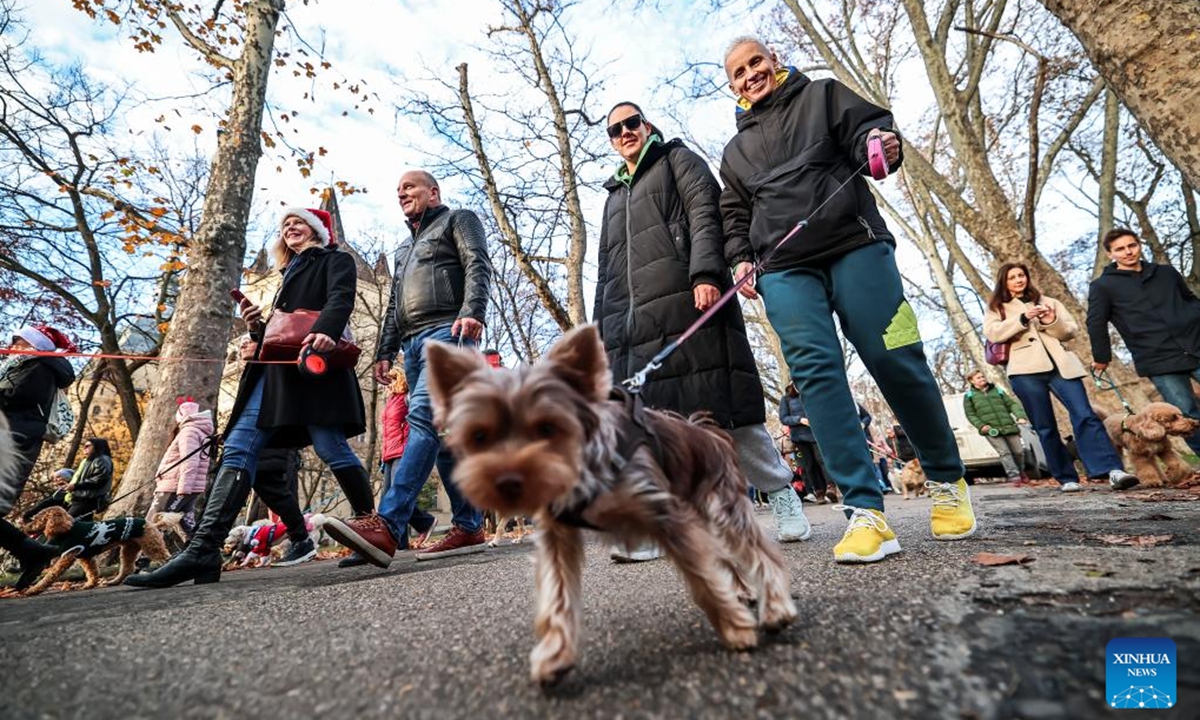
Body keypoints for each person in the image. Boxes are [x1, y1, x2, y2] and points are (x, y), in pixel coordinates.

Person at [719, 37, 976, 564]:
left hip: (856, 245)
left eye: (755, 63)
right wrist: (741, 259)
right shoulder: (734, 152)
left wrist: (879, 147)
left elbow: (869, 131)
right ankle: (865, 511)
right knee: (816, 374)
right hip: (785, 268)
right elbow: (734, 216)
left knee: (895, 356)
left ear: (774, 62)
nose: (750, 75)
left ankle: (948, 480)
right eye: (738, 72)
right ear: (733, 86)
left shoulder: (825, 96)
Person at [593, 100, 810, 564]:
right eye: (615, 129)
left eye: (632, 123)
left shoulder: (678, 160)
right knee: (648, 426)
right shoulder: (613, 196)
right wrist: (600, 330)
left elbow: (705, 215)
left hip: (691, 301)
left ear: (646, 125)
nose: (625, 132)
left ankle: (780, 491)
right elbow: (605, 270)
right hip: (633, 325)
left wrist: (707, 274)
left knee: (729, 410)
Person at [127, 207, 376, 588]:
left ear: (317, 231)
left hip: (313, 367)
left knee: (331, 448)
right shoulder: (284, 274)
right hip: (274, 375)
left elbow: (341, 299)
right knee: (239, 447)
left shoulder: (334, 259)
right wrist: (256, 331)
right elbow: (281, 331)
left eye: (299, 223)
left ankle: (370, 527)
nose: (290, 228)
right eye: (285, 225)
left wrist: (327, 330)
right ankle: (203, 552)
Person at [324, 170, 493, 567]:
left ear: (433, 193)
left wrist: (473, 311)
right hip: (412, 344)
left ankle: (388, 525)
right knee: (443, 437)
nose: (402, 193)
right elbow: (393, 304)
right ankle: (469, 524)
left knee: (422, 417)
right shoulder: (403, 249)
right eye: (398, 190)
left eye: (410, 187)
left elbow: (477, 264)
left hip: (449, 331)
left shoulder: (459, 219)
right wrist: (385, 350)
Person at [983, 262, 1139, 493]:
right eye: (1012, 277)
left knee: (1085, 414)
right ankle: (1067, 478)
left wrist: (1050, 320)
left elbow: (1070, 331)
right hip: (1024, 371)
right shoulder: (997, 307)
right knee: (1045, 426)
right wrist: (1023, 318)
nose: (1018, 280)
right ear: (1004, 282)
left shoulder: (1048, 301)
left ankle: (1112, 471)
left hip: (1062, 367)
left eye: (1021, 275)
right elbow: (993, 333)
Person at [1088, 227, 1200, 455]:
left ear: (1139, 245)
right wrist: (1101, 358)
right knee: (1186, 415)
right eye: (1120, 249)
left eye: (1132, 245)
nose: (1128, 252)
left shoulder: (1166, 273)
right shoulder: (1103, 287)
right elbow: (1096, 323)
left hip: (1195, 344)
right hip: (1157, 358)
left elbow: (1190, 299)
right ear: (1111, 254)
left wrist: (1190, 318)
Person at [0, 325, 76, 590]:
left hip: (15, 440)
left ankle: (33, 553)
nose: (13, 346)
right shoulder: (20, 367)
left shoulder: (40, 368)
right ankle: (33, 553)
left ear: (33, 345)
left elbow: (19, 398)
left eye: (19, 342)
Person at [339, 368, 438, 568]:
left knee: (393, 496)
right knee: (389, 498)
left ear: (400, 379)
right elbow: (387, 432)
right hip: (389, 455)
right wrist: (383, 457)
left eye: (391, 380)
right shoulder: (391, 400)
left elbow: (415, 425)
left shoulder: (407, 398)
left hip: (402, 452)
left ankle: (413, 528)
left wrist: (408, 448)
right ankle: (409, 533)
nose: (388, 385)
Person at [145, 398, 215, 537]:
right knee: (186, 525)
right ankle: (198, 553)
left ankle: (144, 557)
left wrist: (183, 489)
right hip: (186, 487)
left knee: (153, 522)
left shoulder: (189, 432)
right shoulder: (198, 432)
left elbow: (190, 461)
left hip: (175, 487)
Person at [962, 370, 1030, 485]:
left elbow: (1012, 404)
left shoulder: (997, 390)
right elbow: (970, 414)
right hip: (991, 430)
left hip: (1008, 426)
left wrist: (1020, 416)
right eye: (978, 378)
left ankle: (1021, 472)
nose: (982, 379)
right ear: (971, 381)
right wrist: (981, 425)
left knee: (1018, 451)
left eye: (983, 376)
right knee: (1004, 452)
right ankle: (1014, 477)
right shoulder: (969, 396)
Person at [779, 384, 834, 503]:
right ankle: (818, 492)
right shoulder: (786, 399)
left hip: (817, 434)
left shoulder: (812, 393)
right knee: (809, 465)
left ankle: (831, 488)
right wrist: (799, 420)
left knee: (822, 461)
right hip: (800, 437)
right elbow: (783, 418)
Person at [63, 438, 113, 519]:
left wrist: (75, 486)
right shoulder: (88, 460)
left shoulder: (102, 459)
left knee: (65, 524)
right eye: (84, 446)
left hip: (88, 500)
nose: (84, 448)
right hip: (80, 499)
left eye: (87, 446)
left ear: (97, 446)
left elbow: (99, 480)